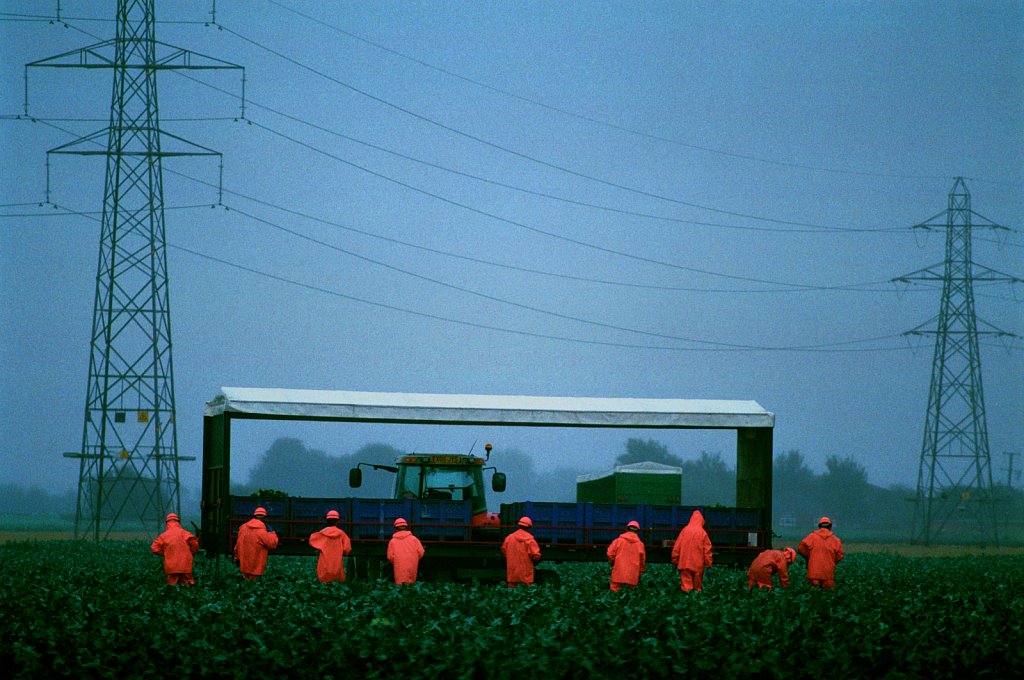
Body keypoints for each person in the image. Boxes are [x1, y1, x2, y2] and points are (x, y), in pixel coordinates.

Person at [150, 512, 200, 585]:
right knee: (188, 587)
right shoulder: (185, 533)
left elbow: (154, 548)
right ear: (178, 522)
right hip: (185, 566)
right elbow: (195, 544)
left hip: (171, 567)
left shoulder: (164, 536)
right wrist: (190, 553)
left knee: (172, 588)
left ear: (167, 523)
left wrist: (166, 553)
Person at [671, 509, 713, 592]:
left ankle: (687, 602)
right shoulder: (703, 533)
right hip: (698, 565)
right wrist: (709, 564)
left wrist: (674, 560)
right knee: (697, 589)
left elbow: (677, 547)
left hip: (684, 564)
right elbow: (707, 551)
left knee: (686, 589)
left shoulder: (684, 530)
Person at [798, 516, 844, 589]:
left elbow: (801, 547)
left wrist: (810, 556)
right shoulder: (836, 540)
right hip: (828, 573)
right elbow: (840, 555)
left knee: (814, 596)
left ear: (819, 526)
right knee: (827, 596)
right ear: (830, 526)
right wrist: (832, 560)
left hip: (813, 572)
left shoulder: (812, 536)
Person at [233, 506, 279, 580]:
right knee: (254, 585)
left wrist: (236, 557)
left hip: (244, 567)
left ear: (254, 516)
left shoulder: (243, 528)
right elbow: (272, 544)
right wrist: (272, 532)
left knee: (246, 585)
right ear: (265, 518)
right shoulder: (261, 531)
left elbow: (237, 546)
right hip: (256, 569)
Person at [308, 509, 352, 583]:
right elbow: (347, 549)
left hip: (324, 563)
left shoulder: (322, 533)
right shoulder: (342, 534)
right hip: (337, 564)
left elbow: (312, 540)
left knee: (323, 581)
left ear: (327, 520)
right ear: (337, 521)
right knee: (337, 582)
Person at [501, 516, 541, 587]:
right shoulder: (530, 540)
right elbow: (536, 556)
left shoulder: (509, 538)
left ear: (519, 525)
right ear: (529, 527)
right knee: (526, 593)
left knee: (512, 592)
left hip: (513, 572)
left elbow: (504, 550)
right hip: (526, 574)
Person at [607, 520, 646, 591]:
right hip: (632, 575)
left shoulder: (618, 541)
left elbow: (610, 553)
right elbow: (642, 561)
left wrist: (614, 563)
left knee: (614, 594)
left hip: (618, 573)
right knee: (631, 596)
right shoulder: (640, 545)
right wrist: (640, 572)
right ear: (637, 531)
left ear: (627, 529)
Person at [387, 517, 425, 585]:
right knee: (411, 585)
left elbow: (390, 557)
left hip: (398, 567)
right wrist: (414, 559)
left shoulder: (392, 541)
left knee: (400, 585)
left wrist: (397, 562)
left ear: (395, 528)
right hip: (412, 565)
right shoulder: (414, 539)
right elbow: (421, 552)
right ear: (406, 527)